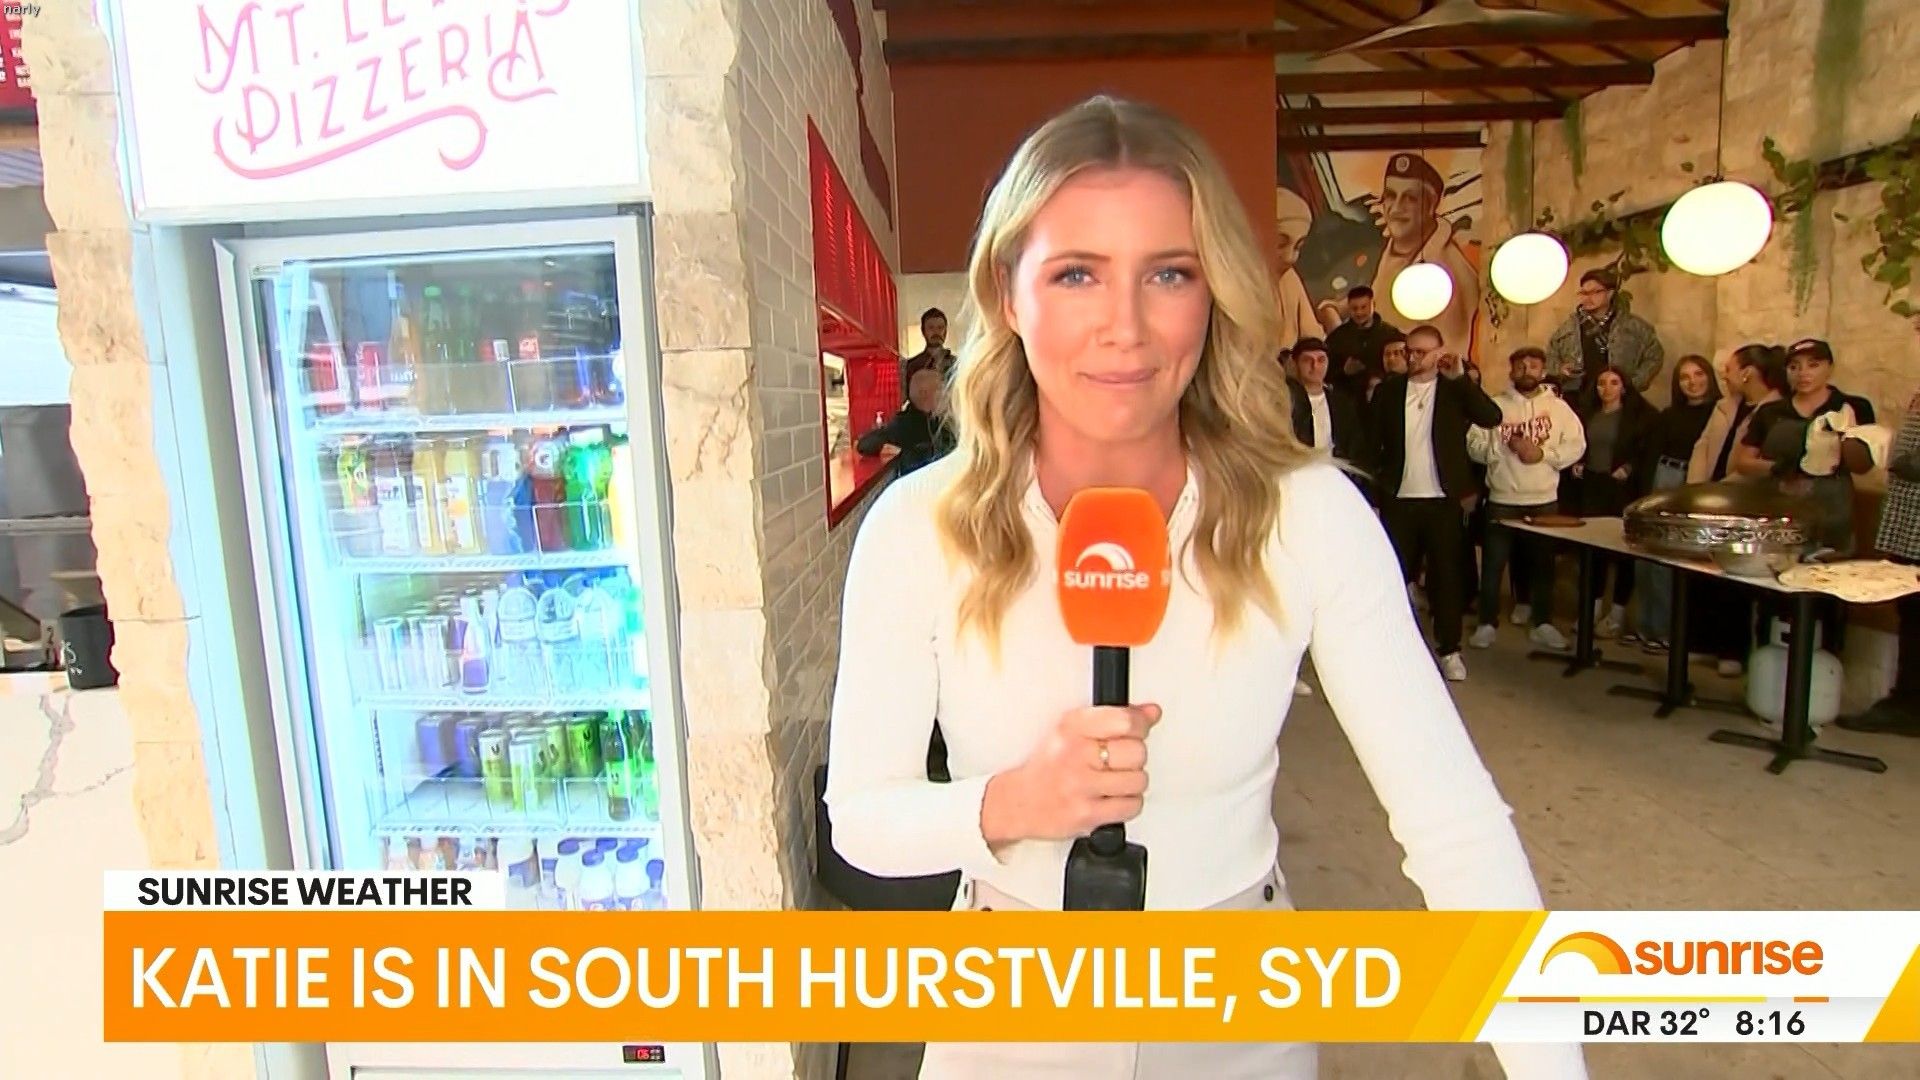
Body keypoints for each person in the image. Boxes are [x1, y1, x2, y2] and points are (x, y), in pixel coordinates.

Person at [823, 96, 1584, 1080]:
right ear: (1010, 293)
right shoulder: (920, 525)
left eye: (1169, 273)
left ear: (1213, 291)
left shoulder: (1306, 512)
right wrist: (1009, 803)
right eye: (1077, 273)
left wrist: (1550, 1064)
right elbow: (862, 819)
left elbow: (1454, 825)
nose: (1126, 328)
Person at [1370, 324, 1503, 682]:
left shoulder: (1454, 389)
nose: (1412, 358)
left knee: (1446, 578)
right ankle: (1392, 647)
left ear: (1438, 353)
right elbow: (1372, 443)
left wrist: (1461, 380)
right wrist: (1373, 496)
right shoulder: (1389, 391)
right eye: (1409, 350)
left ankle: (1449, 649)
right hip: (1398, 498)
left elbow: (1491, 417)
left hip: (1443, 500)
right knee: (1393, 576)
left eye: (1421, 352)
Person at [1467, 346, 1584, 652]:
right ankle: (1486, 623)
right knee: (1493, 565)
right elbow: (1473, 445)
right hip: (1503, 498)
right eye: (1520, 365)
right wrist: (1500, 449)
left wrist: (1544, 454)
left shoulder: (1558, 408)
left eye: (1533, 366)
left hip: (1544, 499)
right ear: (1511, 371)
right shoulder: (1494, 406)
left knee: (1543, 566)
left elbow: (1577, 445)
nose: (1526, 370)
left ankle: (1542, 623)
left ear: (1543, 372)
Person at [1840, 313, 1920, 737]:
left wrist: (1906, 461)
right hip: (1911, 523)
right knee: (1911, 614)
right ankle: (1907, 699)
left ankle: (1909, 705)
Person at [1687, 344, 1787, 677]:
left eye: (1729, 369)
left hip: (1743, 501)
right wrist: (1697, 489)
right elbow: (1702, 446)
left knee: (1734, 578)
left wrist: (1722, 491)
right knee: (1702, 573)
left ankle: (1732, 649)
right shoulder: (1725, 406)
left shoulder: (1775, 410)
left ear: (1747, 372)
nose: (1724, 375)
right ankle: (1702, 642)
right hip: (1707, 497)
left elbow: (1755, 464)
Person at [1632, 355, 1719, 651]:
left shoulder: (1719, 413)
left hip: (1694, 481)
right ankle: (1645, 626)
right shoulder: (1669, 415)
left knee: (1673, 562)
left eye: (1698, 374)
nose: (1692, 382)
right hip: (1664, 477)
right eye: (1685, 377)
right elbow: (1652, 456)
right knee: (1649, 557)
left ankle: (1668, 631)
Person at [1569, 367, 1656, 639]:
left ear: (1624, 387)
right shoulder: (1588, 414)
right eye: (1601, 383)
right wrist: (1578, 462)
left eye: (1614, 383)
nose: (1606, 389)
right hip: (1593, 486)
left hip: (1621, 488)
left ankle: (1617, 614)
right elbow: (1577, 444)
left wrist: (1629, 468)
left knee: (1622, 550)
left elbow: (1645, 451)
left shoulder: (1637, 417)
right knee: (1593, 549)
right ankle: (1592, 609)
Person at [1369, 154, 1480, 356]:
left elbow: (1449, 356)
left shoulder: (1450, 274)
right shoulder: (1390, 250)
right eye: (1391, 196)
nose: (1396, 208)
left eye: (1410, 198)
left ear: (1431, 205)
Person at [1546, 269, 1664, 396]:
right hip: (1578, 396)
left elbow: (1654, 356)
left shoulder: (1633, 326)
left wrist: (1634, 384)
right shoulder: (1568, 328)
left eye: (1595, 292)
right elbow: (1551, 356)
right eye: (1584, 293)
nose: (1588, 298)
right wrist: (1560, 371)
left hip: (1621, 398)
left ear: (1610, 293)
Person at [1287, 336, 1369, 472]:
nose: (1315, 366)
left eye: (1321, 360)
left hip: (1334, 473)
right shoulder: (1287, 401)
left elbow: (1354, 446)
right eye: (1307, 360)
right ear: (1296, 364)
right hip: (1299, 472)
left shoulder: (1342, 403)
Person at [857, 367, 956, 477]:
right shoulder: (906, 424)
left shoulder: (943, 420)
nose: (947, 394)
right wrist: (903, 453)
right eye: (941, 389)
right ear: (924, 393)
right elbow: (865, 445)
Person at [1326, 285, 1401, 400]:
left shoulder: (1391, 334)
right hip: (1348, 399)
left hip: (1386, 396)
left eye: (1363, 307)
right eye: (1354, 308)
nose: (1359, 312)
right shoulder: (1337, 337)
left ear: (1373, 305)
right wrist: (1343, 371)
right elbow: (1326, 371)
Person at [1274, 187, 1327, 349]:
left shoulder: (1289, 278)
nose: (1290, 257)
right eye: (1280, 243)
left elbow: (1312, 337)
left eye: (1298, 246)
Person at [902, 307, 955, 383]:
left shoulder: (956, 364)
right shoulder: (912, 366)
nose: (936, 332)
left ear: (945, 331)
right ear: (923, 331)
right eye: (931, 327)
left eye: (940, 327)